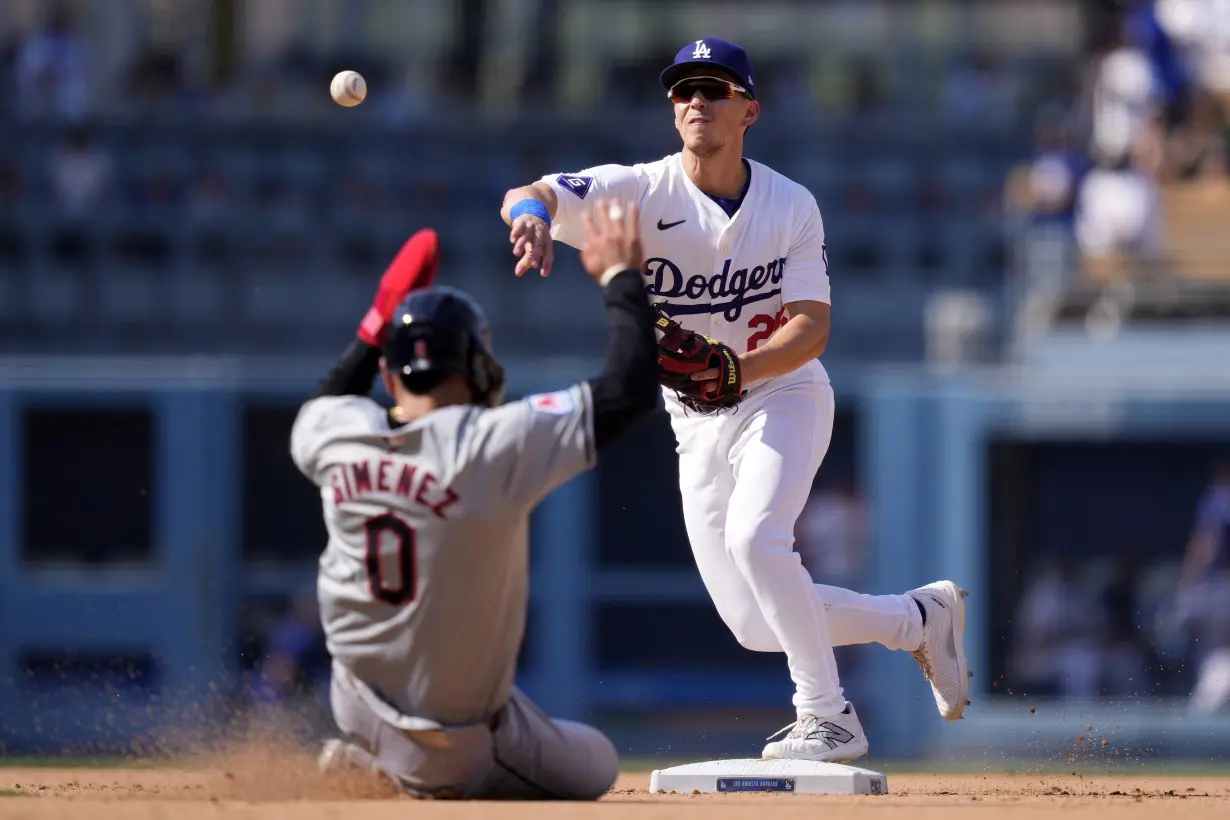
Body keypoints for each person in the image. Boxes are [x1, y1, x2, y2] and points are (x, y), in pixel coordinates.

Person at [499, 37, 970, 762]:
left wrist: (736, 371)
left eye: (714, 90)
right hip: (696, 421)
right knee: (755, 622)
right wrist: (529, 215)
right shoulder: (639, 190)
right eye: (684, 90)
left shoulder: (790, 204)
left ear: (748, 109)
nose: (696, 102)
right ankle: (914, 618)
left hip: (783, 395)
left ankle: (828, 715)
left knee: (758, 540)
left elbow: (811, 328)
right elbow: (535, 191)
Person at [291, 203, 659, 799]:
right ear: (480, 368)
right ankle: (407, 772)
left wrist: (376, 324)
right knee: (598, 761)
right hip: (450, 745)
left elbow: (327, 399)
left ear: (388, 376)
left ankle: (371, 756)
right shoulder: (491, 443)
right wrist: (621, 277)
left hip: (353, 701)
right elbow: (630, 389)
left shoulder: (337, 435)